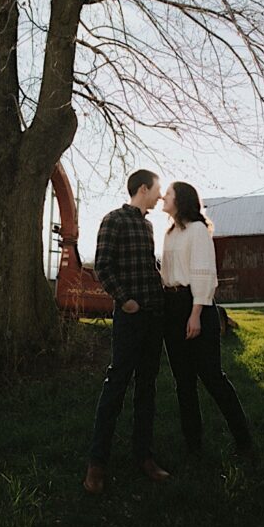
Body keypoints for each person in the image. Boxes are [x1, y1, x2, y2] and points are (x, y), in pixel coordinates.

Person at [84, 169, 170, 495]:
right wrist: (126, 299)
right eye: (157, 189)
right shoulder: (114, 220)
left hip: (154, 318)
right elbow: (102, 267)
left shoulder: (149, 226)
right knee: (116, 386)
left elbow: (148, 266)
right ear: (143, 188)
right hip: (130, 318)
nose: (160, 195)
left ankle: (144, 457)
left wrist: (164, 282)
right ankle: (96, 464)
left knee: (146, 389)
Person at [160, 181, 253, 456]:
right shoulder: (169, 232)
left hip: (196, 306)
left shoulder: (198, 230)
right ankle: (194, 446)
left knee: (212, 378)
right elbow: (167, 273)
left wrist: (196, 314)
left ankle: (244, 441)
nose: (164, 197)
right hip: (172, 307)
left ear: (181, 200)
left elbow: (203, 274)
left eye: (168, 194)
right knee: (183, 382)